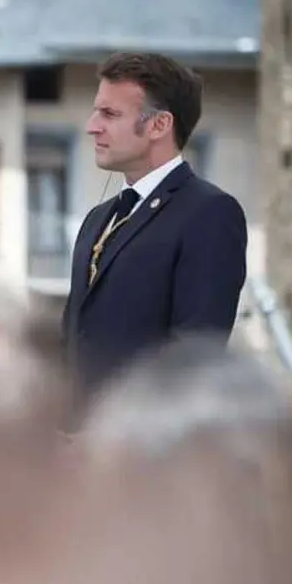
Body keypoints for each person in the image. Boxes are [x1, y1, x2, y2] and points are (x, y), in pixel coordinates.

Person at [61, 52, 247, 391]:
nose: (92, 126)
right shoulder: (96, 219)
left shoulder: (209, 213)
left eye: (110, 114)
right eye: (96, 111)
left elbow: (195, 357)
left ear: (159, 125)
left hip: (145, 423)